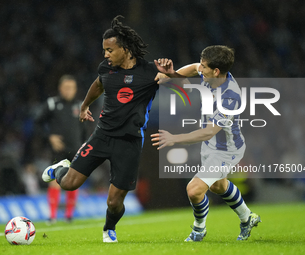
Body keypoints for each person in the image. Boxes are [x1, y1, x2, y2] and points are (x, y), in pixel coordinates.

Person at [42, 16, 159, 242]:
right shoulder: (106, 68)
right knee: (68, 183)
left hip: (129, 141)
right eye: (104, 50)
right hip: (102, 135)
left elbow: (180, 74)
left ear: (124, 49)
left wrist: (199, 70)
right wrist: (85, 105)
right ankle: (59, 169)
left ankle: (109, 229)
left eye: (109, 50)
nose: (105, 55)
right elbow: (98, 84)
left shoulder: (149, 72)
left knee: (115, 202)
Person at [151, 45, 261, 241]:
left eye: (204, 66)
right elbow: (193, 68)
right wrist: (171, 74)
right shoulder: (211, 74)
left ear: (216, 71)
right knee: (218, 186)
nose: (200, 69)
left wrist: (174, 138)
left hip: (226, 150)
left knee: (194, 190)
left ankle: (198, 230)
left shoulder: (230, 97)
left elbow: (209, 131)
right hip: (210, 145)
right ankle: (247, 218)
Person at [36, 75, 84, 224]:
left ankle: (69, 216)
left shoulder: (81, 105)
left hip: (76, 149)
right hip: (58, 150)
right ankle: (52, 216)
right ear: (60, 88)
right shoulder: (52, 104)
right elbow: (37, 123)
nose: (69, 91)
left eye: (72, 88)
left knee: (74, 180)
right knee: (54, 180)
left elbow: (86, 128)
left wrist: (86, 143)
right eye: (66, 87)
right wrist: (49, 137)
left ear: (75, 89)